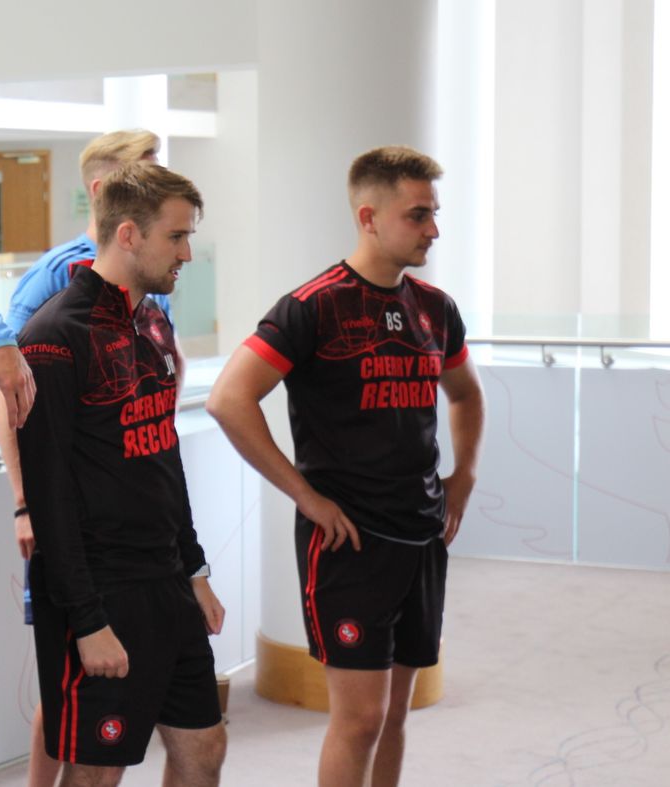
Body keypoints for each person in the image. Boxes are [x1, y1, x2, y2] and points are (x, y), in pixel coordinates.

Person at [205, 145, 485, 787]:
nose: (433, 230)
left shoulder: (435, 307)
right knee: (358, 720)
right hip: (348, 543)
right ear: (368, 217)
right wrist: (305, 496)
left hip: (421, 536)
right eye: (418, 215)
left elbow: (467, 394)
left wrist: (464, 476)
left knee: (393, 716)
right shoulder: (312, 306)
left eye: (434, 214)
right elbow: (228, 399)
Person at [17, 162, 226, 786]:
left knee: (204, 748)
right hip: (102, 592)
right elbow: (49, 497)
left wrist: (194, 570)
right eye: (176, 236)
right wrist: (87, 621)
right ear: (129, 234)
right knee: (96, 772)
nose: (187, 253)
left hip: (167, 579)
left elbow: (163, 456)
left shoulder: (150, 324)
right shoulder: (53, 337)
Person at [0, 129, 166, 786]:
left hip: (133, 519)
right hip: (73, 519)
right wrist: (25, 502)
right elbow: (12, 396)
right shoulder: (54, 280)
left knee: (119, 680)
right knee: (68, 681)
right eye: (147, 174)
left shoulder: (152, 275)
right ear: (102, 190)